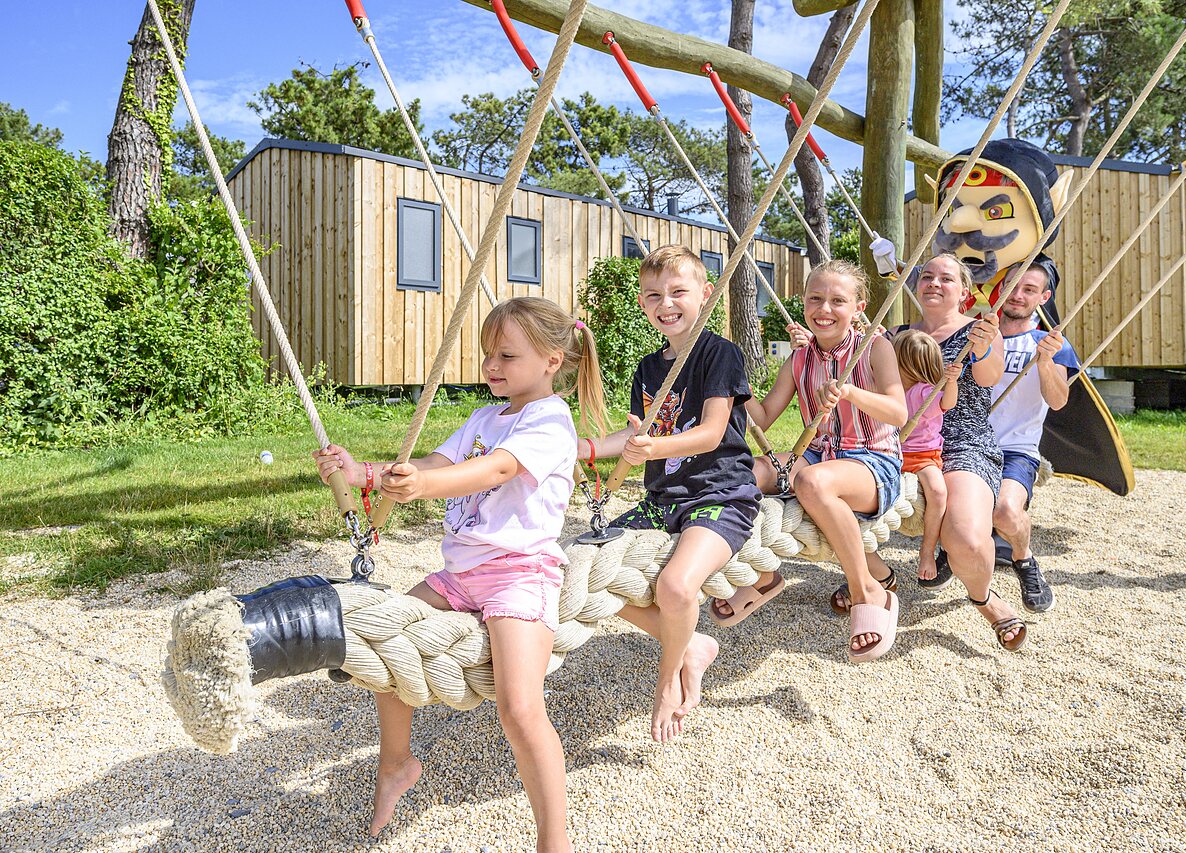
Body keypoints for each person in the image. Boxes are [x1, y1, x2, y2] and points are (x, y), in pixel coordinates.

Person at [313, 297, 606, 850]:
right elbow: (435, 465)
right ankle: (397, 764)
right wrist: (365, 473)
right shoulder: (482, 417)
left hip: (521, 574)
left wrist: (423, 488)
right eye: (487, 355)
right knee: (386, 646)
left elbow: (497, 468)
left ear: (552, 360)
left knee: (520, 707)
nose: (492, 366)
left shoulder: (550, 419)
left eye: (507, 356)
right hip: (461, 573)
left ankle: (554, 840)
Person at [580, 245, 759, 743]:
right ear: (642, 303)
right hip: (663, 500)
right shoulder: (647, 368)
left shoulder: (719, 353)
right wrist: (579, 448)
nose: (667, 303)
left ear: (705, 294)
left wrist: (652, 444)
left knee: (676, 588)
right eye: (654, 295)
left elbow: (710, 432)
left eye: (678, 292)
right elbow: (635, 435)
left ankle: (667, 683)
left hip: (720, 495)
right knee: (583, 567)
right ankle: (692, 643)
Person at [728, 259, 907, 661]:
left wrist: (849, 394)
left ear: (859, 307)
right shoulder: (800, 359)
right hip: (816, 454)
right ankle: (763, 575)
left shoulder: (875, 348)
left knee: (812, 483)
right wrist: (733, 383)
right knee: (742, 472)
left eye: (837, 301)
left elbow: (898, 414)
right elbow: (763, 416)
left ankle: (868, 590)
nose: (824, 309)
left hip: (872, 460)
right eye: (815, 299)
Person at [896, 253, 1027, 651]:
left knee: (968, 539)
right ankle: (871, 578)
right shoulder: (896, 334)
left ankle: (984, 598)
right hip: (904, 441)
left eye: (946, 279)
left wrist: (985, 348)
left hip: (962, 441)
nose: (934, 283)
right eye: (927, 276)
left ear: (965, 293)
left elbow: (988, 378)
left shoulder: (979, 331)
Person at [989, 262, 1078, 612]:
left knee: (1005, 510)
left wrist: (1043, 363)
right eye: (1012, 284)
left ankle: (1024, 560)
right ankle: (953, 552)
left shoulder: (1049, 343)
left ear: (1044, 297)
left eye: (1029, 289)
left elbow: (1058, 401)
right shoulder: (979, 334)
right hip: (968, 445)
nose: (1018, 294)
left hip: (1016, 449)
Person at [894, 330, 961, 585]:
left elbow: (948, 403)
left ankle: (927, 550)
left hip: (923, 456)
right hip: (891, 452)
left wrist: (951, 382)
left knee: (938, 492)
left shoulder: (926, 393)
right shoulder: (888, 389)